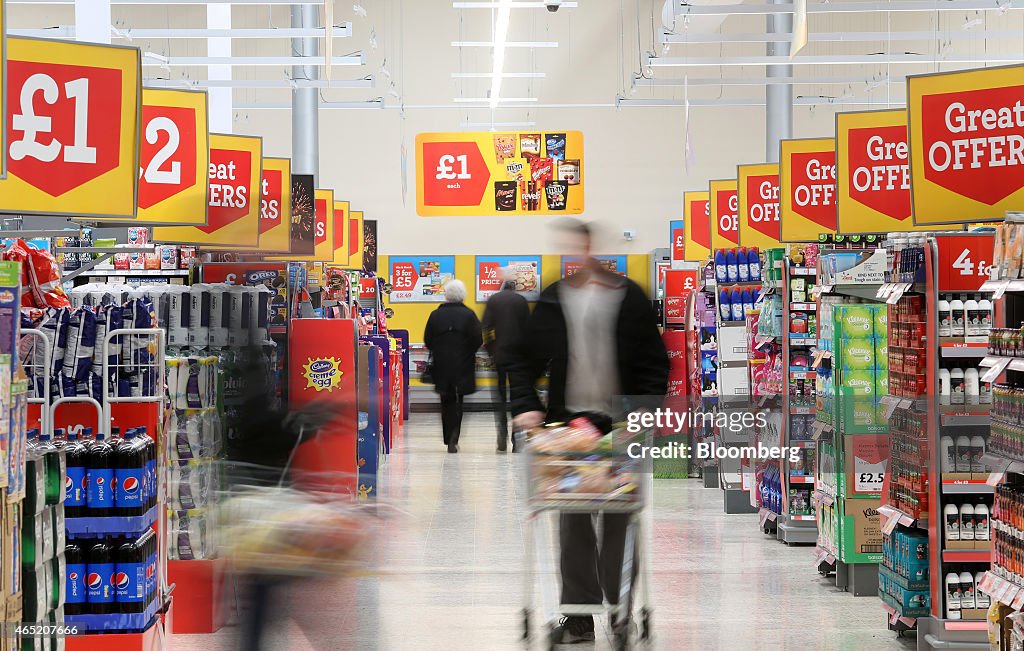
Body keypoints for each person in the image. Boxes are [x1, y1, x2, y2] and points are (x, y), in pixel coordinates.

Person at [508, 220, 669, 644]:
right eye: (565, 249)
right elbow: (524, 359)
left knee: (621, 520)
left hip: (621, 427)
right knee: (573, 519)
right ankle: (578, 616)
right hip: (570, 428)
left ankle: (619, 612)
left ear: (592, 248)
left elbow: (654, 362)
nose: (572, 255)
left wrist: (645, 411)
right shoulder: (554, 298)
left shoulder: (628, 296)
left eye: (576, 247)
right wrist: (526, 407)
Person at [424, 279, 483, 453]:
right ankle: (454, 438)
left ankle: (447, 436)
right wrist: (466, 352)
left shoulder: (436, 315)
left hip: (442, 365)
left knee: (446, 400)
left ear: (446, 295)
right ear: (463, 295)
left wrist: (439, 350)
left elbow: (428, 339)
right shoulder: (470, 315)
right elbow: (478, 340)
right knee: (460, 401)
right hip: (463, 364)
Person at [482, 267, 531, 452]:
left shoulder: (494, 300)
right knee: (518, 396)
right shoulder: (521, 301)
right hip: (518, 357)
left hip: (499, 356)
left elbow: (485, 328)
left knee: (501, 397)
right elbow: (528, 330)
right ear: (515, 285)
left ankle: (501, 436)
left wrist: (491, 349)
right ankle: (516, 439)